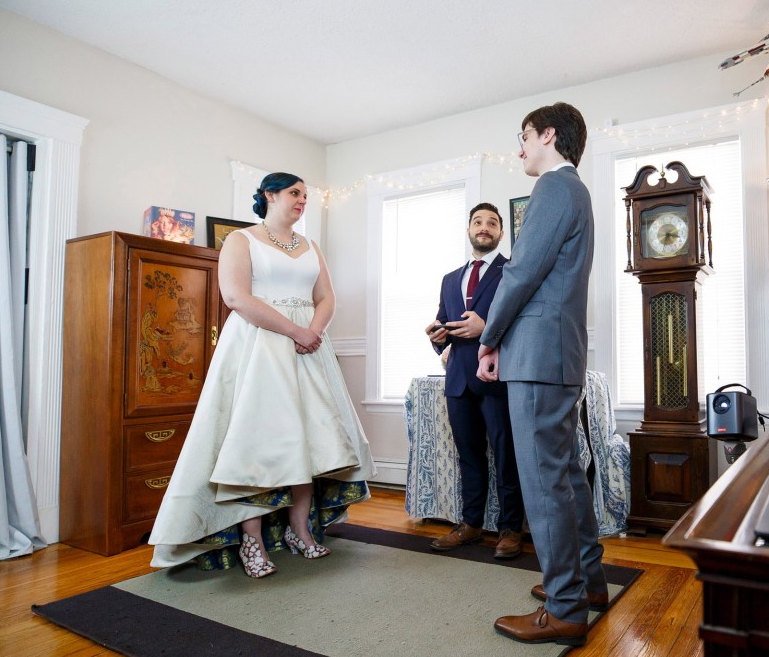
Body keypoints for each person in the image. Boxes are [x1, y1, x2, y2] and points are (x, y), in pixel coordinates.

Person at [149, 172, 374, 577]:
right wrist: (294, 331)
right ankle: (251, 541)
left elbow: (327, 297)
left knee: (308, 441)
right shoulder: (241, 240)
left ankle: (299, 531)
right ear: (270, 195)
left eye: (305, 195)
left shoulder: (310, 246)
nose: (302, 200)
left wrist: (313, 333)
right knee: (257, 443)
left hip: (309, 351)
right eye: (294, 193)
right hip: (261, 348)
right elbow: (236, 296)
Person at [477, 102, 607, 646]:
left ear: (549, 135)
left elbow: (522, 271)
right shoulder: (576, 191)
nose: (521, 147)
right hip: (558, 353)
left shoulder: (554, 188)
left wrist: (489, 338)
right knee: (566, 474)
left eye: (524, 137)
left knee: (544, 479)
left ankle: (564, 609)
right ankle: (587, 584)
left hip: (537, 355)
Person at [425, 202, 525, 559]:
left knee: (506, 456)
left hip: (498, 378)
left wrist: (487, 329)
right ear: (469, 229)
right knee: (469, 456)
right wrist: (437, 335)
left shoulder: (513, 270)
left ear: (500, 232)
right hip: (458, 381)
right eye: (478, 222)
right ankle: (471, 524)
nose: (484, 227)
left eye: (492, 223)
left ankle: (510, 529)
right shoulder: (450, 278)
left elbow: (524, 320)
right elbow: (443, 322)